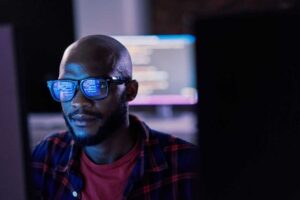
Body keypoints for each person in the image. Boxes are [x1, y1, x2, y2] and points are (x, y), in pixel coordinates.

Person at [31, 35, 198, 200]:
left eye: (96, 86)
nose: (78, 102)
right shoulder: (47, 156)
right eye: (66, 86)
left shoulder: (187, 165)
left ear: (130, 91)